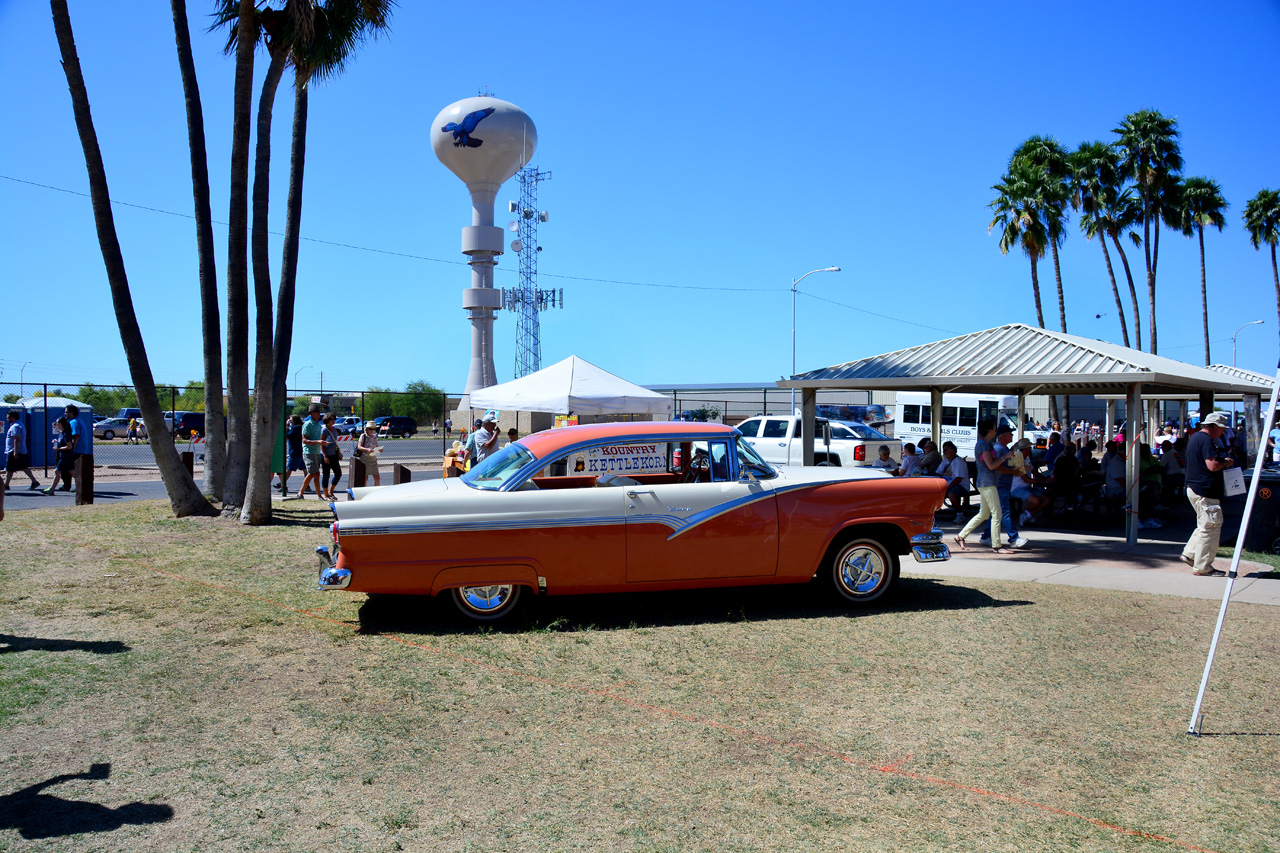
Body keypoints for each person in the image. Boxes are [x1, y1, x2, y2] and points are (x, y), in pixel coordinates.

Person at [1181, 411, 1235, 576]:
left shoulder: (1196, 438)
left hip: (1196, 488)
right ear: (1214, 426)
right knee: (1211, 527)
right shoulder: (1206, 440)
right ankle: (1203, 566)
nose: (1223, 432)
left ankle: (1190, 554)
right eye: (1222, 428)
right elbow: (1212, 465)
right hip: (1205, 489)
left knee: (1204, 525)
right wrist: (1225, 462)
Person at [953, 418, 1016, 554]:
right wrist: (1005, 457)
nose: (996, 431)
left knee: (984, 514)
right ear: (990, 430)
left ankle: (961, 536)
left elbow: (992, 464)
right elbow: (991, 465)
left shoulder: (987, 444)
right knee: (997, 513)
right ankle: (997, 546)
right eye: (994, 428)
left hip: (987, 482)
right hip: (987, 483)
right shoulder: (983, 445)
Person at [981, 426, 1027, 549]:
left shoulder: (1004, 449)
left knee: (994, 513)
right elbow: (998, 467)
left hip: (1003, 485)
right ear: (1004, 435)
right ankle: (1014, 538)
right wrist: (1013, 472)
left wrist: (1014, 470)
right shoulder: (1000, 450)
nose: (1012, 436)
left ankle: (986, 536)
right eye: (1010, 434)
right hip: (1000, 485)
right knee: (1004, 512)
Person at [293, 404, 326, 500]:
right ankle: (300, 492)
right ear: (311, 413)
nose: (319, 414)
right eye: (316, 412)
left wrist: (323, 443)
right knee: (312, 473)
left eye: (319, 412)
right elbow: (304, 440)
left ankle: (319, 496)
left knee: (317, 474)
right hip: (309, 452)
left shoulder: (318, 425)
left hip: (316, 451)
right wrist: (318, 442)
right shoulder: (307, 424)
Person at [5, 411, 40, 491]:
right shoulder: (19, 424)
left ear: (12, 417)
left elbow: (16, 439)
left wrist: (15, 452)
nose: (7, 419)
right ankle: (34, 482)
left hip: (14, 451)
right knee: (23, 467)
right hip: (19, 450)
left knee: (10, 468)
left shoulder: (15, 426)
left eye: (8, 417)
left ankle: (6, 485)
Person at [937, 441, 970, 522]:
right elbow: (938, 472)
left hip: (960, 486)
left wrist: (947, 488)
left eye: (945, 450)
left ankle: (959, 513)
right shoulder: (945, 461)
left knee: (951, 493)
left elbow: (958, 479)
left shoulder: (959, 462)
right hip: (946, 484)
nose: (943, 452)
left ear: (952, 451)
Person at [42, 417, 75, 494]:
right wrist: (56, 442)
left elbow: (69, 446)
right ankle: (82, 486)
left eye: (57, 423)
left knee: (57, 471)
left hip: (66, 457)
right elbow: (62, 443)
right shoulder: (62, 433)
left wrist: (59, 448)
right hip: (64, 456)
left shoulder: (66, 434)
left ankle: (51, 489)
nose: (56, 424)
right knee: (72, 472)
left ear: (60, 424)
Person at [279, 415, 305, 497]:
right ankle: (307, 485)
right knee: (304, 469)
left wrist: (286, 426)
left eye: (290, 420)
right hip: (299, 451)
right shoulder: (299, 428)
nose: (289, 422)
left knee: (289, 469)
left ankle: (283, 484)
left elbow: (286, 436)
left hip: (294, 452)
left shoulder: (295, 428)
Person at [320, 413, 343, 502]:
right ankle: (325, 494)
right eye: (332, 419)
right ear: (327, 420)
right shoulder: (324, 430)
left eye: (334, 419)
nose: (333, 421)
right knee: (326, 475)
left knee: (338, 473)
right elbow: (322, 444)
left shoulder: (334, 429)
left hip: (334, 454)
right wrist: (325, 456)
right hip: (326, 455)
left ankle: (331, 491)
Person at [356, 421, 383, 485]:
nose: (372, 430)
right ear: (367, 429)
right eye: (370, 429)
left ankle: (376, 493)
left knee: (377, 478)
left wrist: (379, 449)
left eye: (373, 429)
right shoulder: (363, 436)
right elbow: (359, 447)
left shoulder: (374, 437)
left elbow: (376, 446)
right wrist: (367, 449)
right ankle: (364, 491)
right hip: (365, 459)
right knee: (365, 478)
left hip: (373, 459)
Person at [64, 404, 82, 494]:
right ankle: (69, 485)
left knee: (71, 468)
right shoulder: (76, 421)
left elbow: (76, 436)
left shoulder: (74, 422)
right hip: (78, 449)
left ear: (71, 413)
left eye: (66, 412)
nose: (65, 414)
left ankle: (80, 485)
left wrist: (72, 448)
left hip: (78, 450)